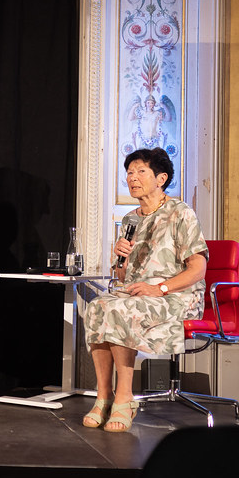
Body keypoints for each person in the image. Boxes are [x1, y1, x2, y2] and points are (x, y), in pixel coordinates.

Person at [82, 147, 207, 432]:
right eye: (129, 172)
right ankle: (104, 396)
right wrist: (120, 257)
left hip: (177, 295)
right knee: (98, 306)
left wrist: (160, 288)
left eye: (140, 171)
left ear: (161, 178)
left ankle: (125, 399)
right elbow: (124, 276)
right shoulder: (130, 220)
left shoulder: (180, 213)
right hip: (137, 292)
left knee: (121, 309)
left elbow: (198, 269)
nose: (132, 178)